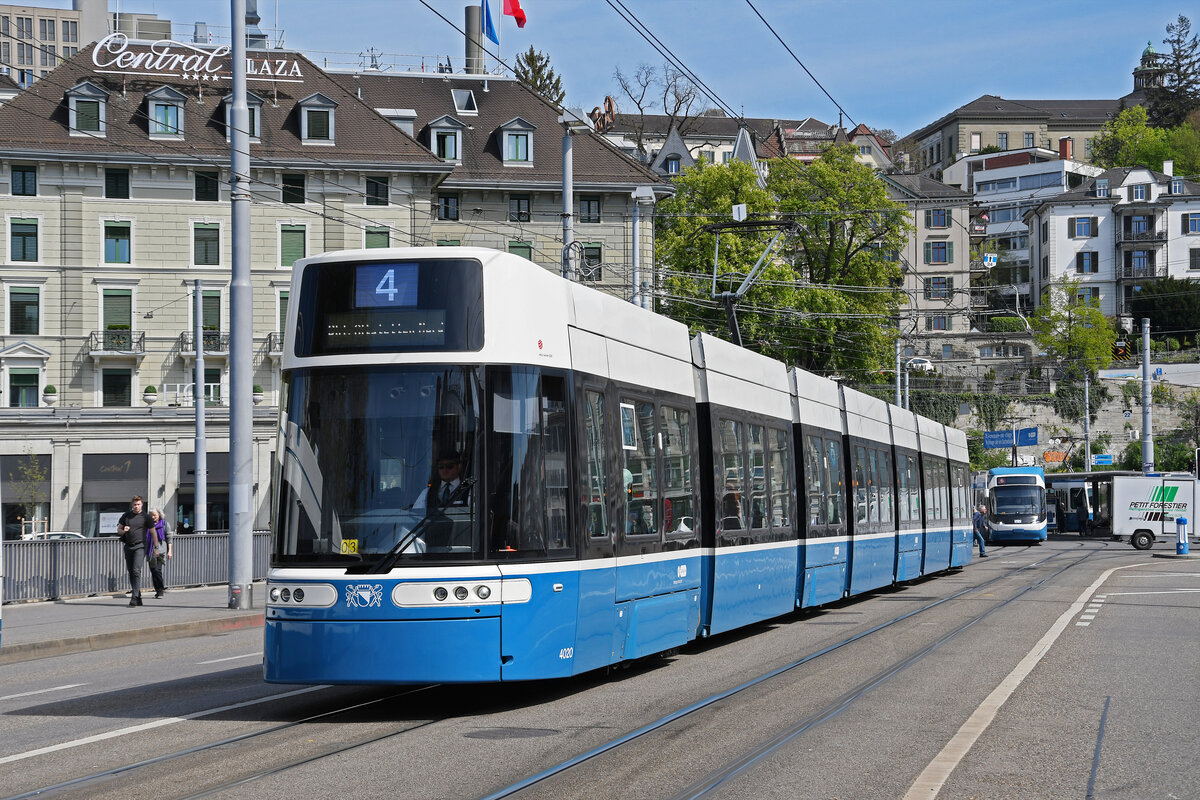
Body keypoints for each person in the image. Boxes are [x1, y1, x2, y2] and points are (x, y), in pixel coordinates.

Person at [117, 495, 153, 606]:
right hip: (128, 546)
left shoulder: (146, 517)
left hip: (140, 546)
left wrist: (156, 547)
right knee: (131, 572)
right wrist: (124, 530)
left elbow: (153, 532)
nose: (136, 506)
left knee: (136, 570)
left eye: (138, 504)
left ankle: (134, 596)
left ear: (142, 504)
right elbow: (119, 530)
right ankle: (139, 597)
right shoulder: (126, 516)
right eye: (134, 504)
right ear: (132, 505)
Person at [146, 508, 172, 599]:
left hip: (160, 550)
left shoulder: (164, 524)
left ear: (159, 515)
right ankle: (157, 591)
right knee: (153, 571)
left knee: (157, 570)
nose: (153, 517)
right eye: (151, 515)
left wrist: (170, 551)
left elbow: (169, 538)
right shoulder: (148, 525)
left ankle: (160, 590)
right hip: (150, 550)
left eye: (155, 515)